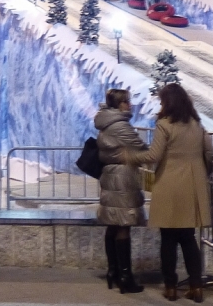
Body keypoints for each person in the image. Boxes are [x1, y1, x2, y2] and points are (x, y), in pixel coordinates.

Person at [124, 84, 213, 303]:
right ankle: (196, 286)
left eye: (163, 101)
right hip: (192, 186)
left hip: (170, 186)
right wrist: (204, 172)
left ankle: (171, 287)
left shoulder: (164, 125)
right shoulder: (197, 125)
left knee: (169, 239)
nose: (161, 105)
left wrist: (131, 157)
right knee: (189, 239)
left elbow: (154, 156)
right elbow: (209, 154)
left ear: (169, 102)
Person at [95, 89, 147, 294]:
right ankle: (126, 277)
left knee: (114, 224)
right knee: (124, 223)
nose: (130, 105)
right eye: (127, 102)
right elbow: (141, 148)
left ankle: (113, 272)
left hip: (111, 175)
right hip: (123, 178)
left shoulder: (106, 123)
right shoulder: (120, 126)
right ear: (120, 105)